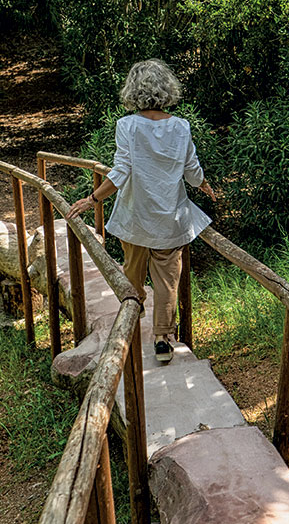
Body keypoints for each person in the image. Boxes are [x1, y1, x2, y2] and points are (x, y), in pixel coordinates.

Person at [67, 59, 216, 364]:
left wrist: (91, 200)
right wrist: (203, 184)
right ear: (167, 89)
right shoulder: (181, 126)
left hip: (136, 217)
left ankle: (135, 308)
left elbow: (121, 171)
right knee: (167, 282)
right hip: (171, 220)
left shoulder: (128, 126)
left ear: (133, 90)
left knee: (132, 273)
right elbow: (191, 171)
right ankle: (162, 338)